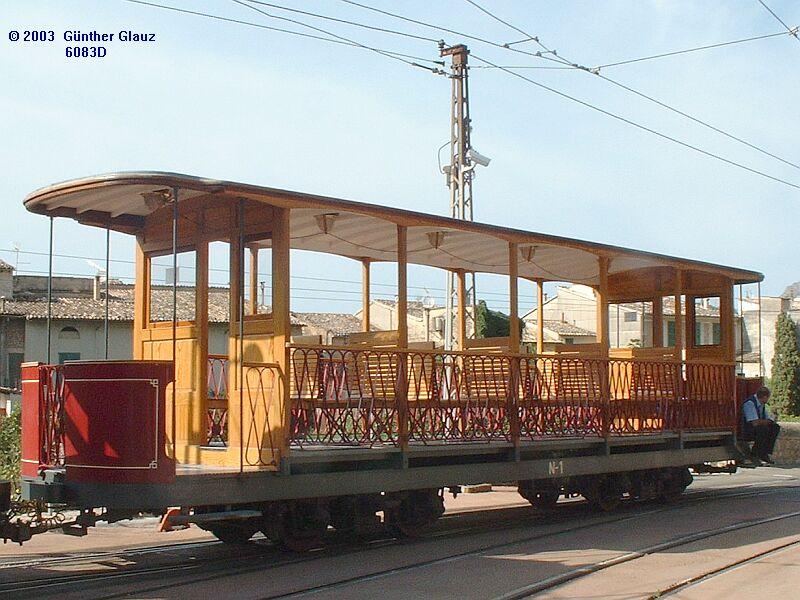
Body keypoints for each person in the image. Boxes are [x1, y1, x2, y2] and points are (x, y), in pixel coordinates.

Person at [741, 386, 780, 465]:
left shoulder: (762, 404)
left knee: (775, 427)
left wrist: (771, 421)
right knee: (763, 430)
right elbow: (754, 422)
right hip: (747, 430)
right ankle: (755, 454)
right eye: (768, 398)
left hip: (756, 428)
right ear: (765, 397)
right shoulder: (750, 403)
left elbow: (766, 418)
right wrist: (767, 421)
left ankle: (765, 453)